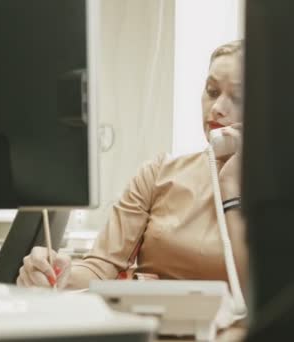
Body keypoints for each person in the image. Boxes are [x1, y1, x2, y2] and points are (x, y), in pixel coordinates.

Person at [16, 40, 248, 290]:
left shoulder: (285, 190)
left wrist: (231, 188)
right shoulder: (160, 173)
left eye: (238, 97)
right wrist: (57, 274)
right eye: (212, 91)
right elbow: (100, 266)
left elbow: (265, 292)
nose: (216, 108)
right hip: (150, 325)